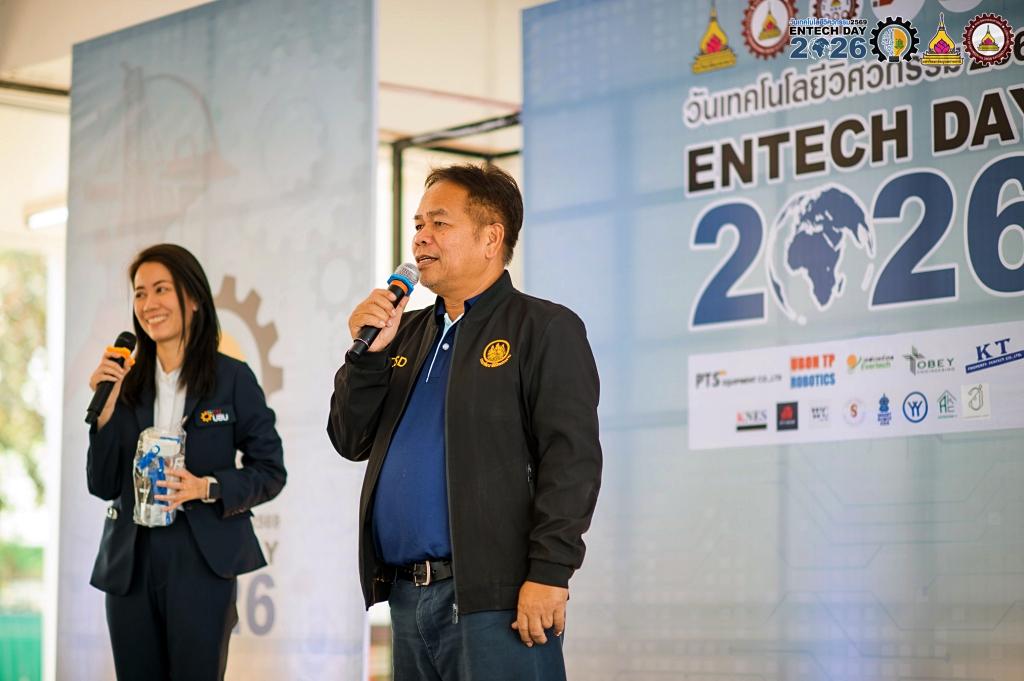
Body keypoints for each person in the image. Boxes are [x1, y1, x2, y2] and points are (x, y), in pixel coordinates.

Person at [327, 164, 602, 680]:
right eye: (417, 225)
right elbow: (349, 439)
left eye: (439, 223)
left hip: (496, 598)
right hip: (407, 595)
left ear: (491, 237)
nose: (420, 238)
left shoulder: (544, 328)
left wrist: (550, 573)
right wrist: (367, 358)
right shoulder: (404, 332)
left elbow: (572, 462)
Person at [86, 243, 286, 681]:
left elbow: (271, 471)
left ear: (192, 298)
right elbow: (102, 484)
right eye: (140, 293)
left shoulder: (232, 378)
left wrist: (207, 486)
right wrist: (104, 412)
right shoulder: (125, 383)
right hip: (131, 561)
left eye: (161, 289)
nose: (148, 304)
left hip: (200, 558)